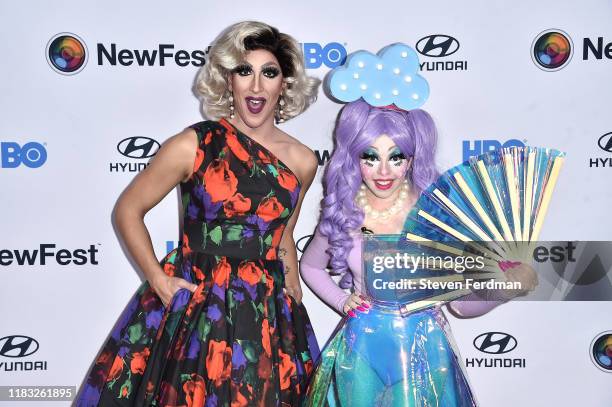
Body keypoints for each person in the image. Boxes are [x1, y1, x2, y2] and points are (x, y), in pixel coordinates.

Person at [76, 21, 321, 407]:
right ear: (228, 80)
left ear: (284, 84)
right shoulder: (194, 143)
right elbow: (128, 209)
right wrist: (158, 280)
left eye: (269, 73)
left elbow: (283, 234)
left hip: (266, 310)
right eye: (244, 71)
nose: (256, 86)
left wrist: (292, 292)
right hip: (198, 303)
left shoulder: (304, 161)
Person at [300, 100, 537, 406]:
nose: (383, 170)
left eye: (396, 156)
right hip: (362, 346)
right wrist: (342, 300)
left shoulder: (436, 217)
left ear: (412, 160)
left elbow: (462, 307)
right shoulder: (346, 213)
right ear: (354, 158)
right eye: (370, 157)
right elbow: (311, 267)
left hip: (426, 347)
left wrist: (506, 288)